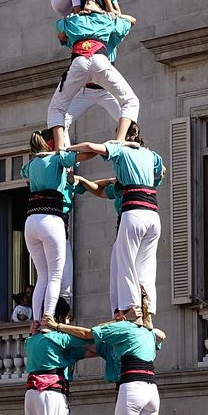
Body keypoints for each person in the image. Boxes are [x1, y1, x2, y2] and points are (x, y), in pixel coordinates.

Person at [73, 128, 165, 320]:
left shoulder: (121, 150)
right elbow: (161, 172)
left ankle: (130, 308)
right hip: (153, 216)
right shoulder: (150, 155)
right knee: (146, 268)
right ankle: (147, 313)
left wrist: (64, 149)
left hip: (133, 215)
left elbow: (90, 147)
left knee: (125, 265)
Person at [47, 2, 138, 151]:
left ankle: (60, 149)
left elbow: (60, 33)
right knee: (131, 101)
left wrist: (72, 18)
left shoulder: (72, 20)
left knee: (57, 108)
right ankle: (120, 140)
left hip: (79, 63)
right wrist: (109, 14)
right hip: (99, 61)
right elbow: (131, 20)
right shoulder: (107, 19)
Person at [21, 132, 80, 325]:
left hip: (31, 221)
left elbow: (23, 172)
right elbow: (77, 157)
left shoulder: (30, 164)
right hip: (51, 219)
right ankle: (48, 317)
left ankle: (36, 320)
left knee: (42, 276)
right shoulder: (56, 159)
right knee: (55, 275)